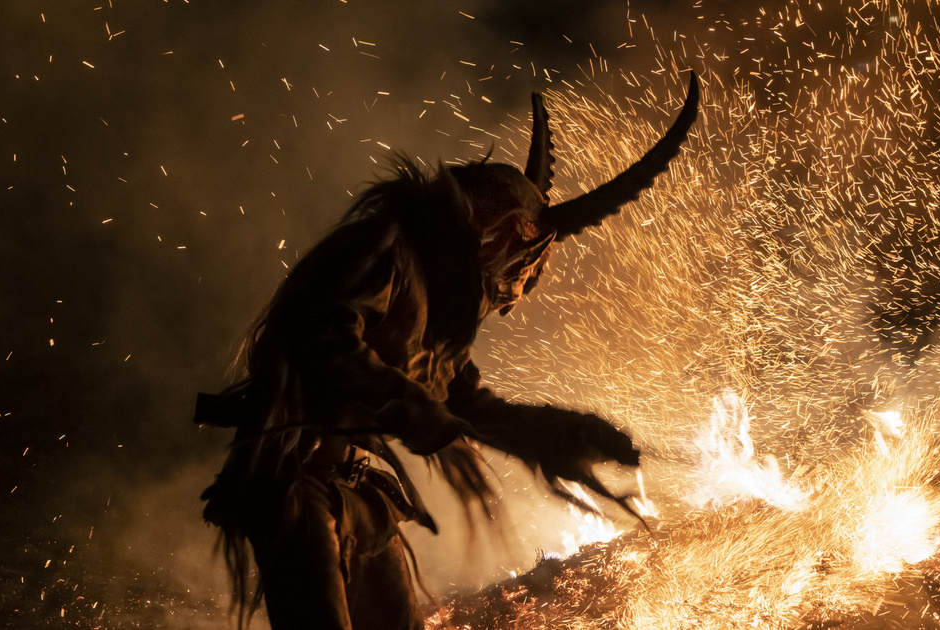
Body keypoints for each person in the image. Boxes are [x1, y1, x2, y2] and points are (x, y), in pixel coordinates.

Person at [196, 73, 701, 630]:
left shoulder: (438, 312)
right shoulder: (385, 247)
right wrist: (415, 410)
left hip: (360, 492)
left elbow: (471, 406)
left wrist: (561, 432)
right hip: (295, 484)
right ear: (506, 236)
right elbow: (325, 336)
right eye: (524, 268)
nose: (514, 293)